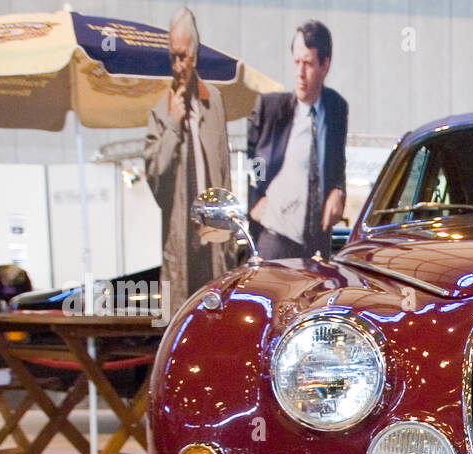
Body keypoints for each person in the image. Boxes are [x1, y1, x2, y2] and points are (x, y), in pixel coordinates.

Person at [143, 7, 234, 309]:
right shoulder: (160, 112)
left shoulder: (215, 102)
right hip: (181, 248)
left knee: (218, 322)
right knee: (179, 321)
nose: (177, 65)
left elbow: (224, 171)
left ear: (194, 56)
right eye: (172, 57)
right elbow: (155, 178)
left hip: (214, 246)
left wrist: (230, 238)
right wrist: (172, 125)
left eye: (182, 56)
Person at [246, 20, 348, 260]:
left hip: (317, 245)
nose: (300, 73)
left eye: (308, 64)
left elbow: (337, 161)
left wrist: (339, 190)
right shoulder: (271, 109)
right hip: (276, 239)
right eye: (296, 62)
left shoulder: (336, 109)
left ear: (325, 65)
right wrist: (256, 198)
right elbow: (254, 158)